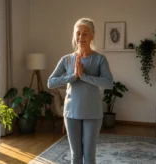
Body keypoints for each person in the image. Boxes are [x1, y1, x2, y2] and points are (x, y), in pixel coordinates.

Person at [47, 18, 113, 164]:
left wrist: (84, 76)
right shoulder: (66, 60)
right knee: (75, 156)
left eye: (85, 34)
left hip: (93, 113)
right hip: (71, 112)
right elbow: (50, 82)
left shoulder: (100, 59)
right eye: (78, 34)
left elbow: (108, 83)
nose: (80, 37)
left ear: (92, 36)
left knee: (89, 156)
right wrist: (73, 76)